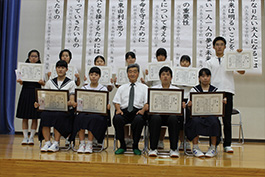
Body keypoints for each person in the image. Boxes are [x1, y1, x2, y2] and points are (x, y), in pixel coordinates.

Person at [204, 36, 245, 153]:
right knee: (213, 120)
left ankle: (227, 144)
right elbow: (206, 78)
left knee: (227, 120)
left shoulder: (230, 59)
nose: (219, 47)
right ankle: (214, 144)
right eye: (217, 44)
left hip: (228, 91)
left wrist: (239, 57)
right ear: (213, 47)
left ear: (225, 47)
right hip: (214, 93)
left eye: (222, 44)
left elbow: (242, 71)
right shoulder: (209, 62)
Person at [35, 60, 76, 152]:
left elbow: (72, 99)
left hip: (64, 110)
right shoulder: (50, 82)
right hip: (51, 108)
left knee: (58, 116)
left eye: (63, 68)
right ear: (56, 69)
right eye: (58, 68)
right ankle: (47, 142)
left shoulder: (71, 83)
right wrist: (38, 103)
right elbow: (44, 97)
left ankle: (56, 143)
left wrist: (69, 102)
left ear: (66, 69)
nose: (60, 70)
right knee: (45, 115)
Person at [70, 67, 110, 153]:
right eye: (91, 75)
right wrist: (77, 104)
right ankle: (82, 143)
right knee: (79, 118)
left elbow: (106, 103)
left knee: (93, 119)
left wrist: (108, 106)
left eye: (96, 75)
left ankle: (89, 144)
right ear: (89, 76)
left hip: (97, 113)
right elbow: (80, 101)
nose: (93, 77)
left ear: (99, 76)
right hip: (85, 111)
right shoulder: (84, 88)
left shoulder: (103, 89)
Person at [113, 63, 148, 155]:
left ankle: (135, 146)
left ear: (138, 74)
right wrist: (118, 109)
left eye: (135, 72)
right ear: (127, 74)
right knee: (117, 118)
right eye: (130, 72)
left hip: (138, 111)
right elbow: (116, 101)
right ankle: (122, 145)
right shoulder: (121, 87)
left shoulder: (144, 88)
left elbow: (147, 103)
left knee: (139, 120)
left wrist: (143, 111)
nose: (132, 74)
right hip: (124, 111)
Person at [186, 68, 222, 158]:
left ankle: (213, 147)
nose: (205, 78)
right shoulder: (194, 90)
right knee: (195, 121)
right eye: (203, 76)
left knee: (214, 121)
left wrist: (222, 103)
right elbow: (189, 107)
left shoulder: (216, 90)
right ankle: (195, 147)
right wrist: (189, 105)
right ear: (199, 78)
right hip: (198, 115)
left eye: (207, 76)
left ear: (210, 77)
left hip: (210, 115)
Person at [148, 66, 183, 158]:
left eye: (168, 74)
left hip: (171, 115)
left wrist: (182, 105)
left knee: (173, 118)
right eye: (163, 74)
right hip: (158, 115)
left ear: (171, 77)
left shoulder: (176, 90)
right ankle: (153, 148)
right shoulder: (154, 89)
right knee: (155, 118)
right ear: (160, 77)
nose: (165, 77)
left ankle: (174, 149)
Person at [16, 49, 45, 145]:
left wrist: (42, 83)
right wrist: (20, 81)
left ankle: (32, 137)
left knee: (34, 117)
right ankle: (25, 137)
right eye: (32, 56)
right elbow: (21, 82)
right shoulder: (23, 68)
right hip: (26, 91)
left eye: (36, 56)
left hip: (36, 92)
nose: (33, 58)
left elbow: (45, 83)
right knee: (25, 116)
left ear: (38, 58)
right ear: (29, 57)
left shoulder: (41, 69)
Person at [145, 48, 168, 149]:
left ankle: (161, 140)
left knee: (165, 117)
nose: (161, 57)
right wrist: (146, 76)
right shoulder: (152, 67)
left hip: (166, 95)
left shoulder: (168, 67)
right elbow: (148, 84)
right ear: (156, 57)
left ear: (165, 57)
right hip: (155, 95)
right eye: (159, 55)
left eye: (163, 55)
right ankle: (154, 139)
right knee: (155, 118)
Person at [175, 55, 192, 151]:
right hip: (180, 98)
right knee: (180, 121)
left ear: (189, 63)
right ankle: (181, 141)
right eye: (183, 61)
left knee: (189, 121)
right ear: (180, 63)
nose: (184, 63)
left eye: (187, 61)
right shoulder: (176, 72)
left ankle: (188, 142)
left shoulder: (193, 73)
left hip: (189, 98)